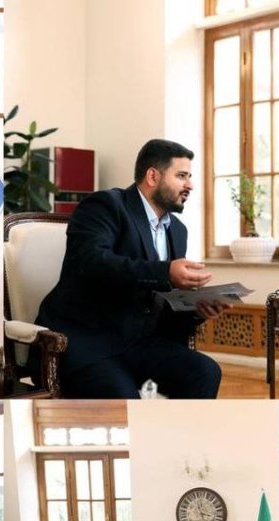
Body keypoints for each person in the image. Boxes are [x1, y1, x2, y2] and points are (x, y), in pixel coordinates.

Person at [33, 139, 227, 399]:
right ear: (153, 176)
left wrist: (196, 309)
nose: (190, 185)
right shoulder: (105, 205)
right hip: (88, 342)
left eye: (189, 176)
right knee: (124, 398)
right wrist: (165, 272)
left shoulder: (178, 231)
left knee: (205, 372)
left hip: (139, 343)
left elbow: (160, 303)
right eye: (182, 176)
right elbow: (91, 262)